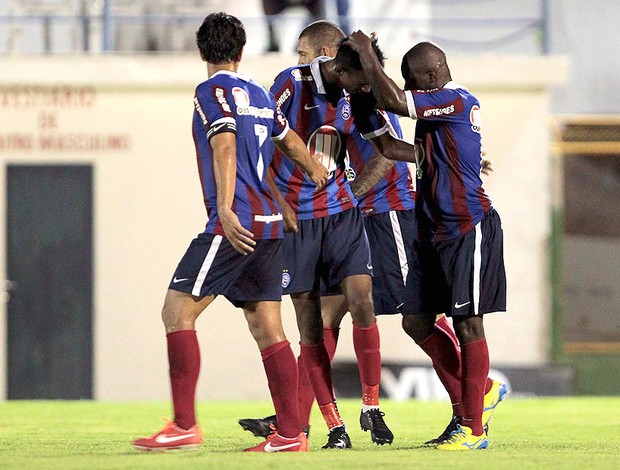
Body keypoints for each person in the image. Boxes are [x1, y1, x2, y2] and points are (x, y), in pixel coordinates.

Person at [239, 21, 504, 449]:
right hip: (341, 217)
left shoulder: (367, 90)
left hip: (386, 212)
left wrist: (351, 197)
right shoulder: (302, 90)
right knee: (329, 318)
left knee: (419, 316)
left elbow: (387, 157)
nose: (302, 65)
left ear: (330, 53)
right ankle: (297, 422)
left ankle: (473, 400)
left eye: (306, 56)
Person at [131, 12, 329, 453]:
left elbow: (223, 141)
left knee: (176, 311)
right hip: (270, 227)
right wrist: (315, 170)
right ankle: (291, 435)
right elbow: (290, 140)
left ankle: (184, 425)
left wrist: (224, 207)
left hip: (234, 224)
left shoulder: (210, 90)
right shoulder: (259, 93)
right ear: (241, 52)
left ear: (203, 51)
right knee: (267, 326)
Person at [344, 32, 508, 450]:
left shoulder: (456, 99)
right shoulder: (436, 114)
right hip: (432, 232)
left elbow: (399, 103)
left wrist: (366, 53)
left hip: (467, 227)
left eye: (414, 81)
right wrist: (364, 95)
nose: (411, 89)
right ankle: (480, 394)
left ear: (433, 74)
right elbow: (387, 145)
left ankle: (471, 428)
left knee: (468, 323)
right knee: (416, 321)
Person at [256, 21, 401, 449]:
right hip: (298, 222)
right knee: (312, 326)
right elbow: (261, 142)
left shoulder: (356, 94)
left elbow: (388, 148)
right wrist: (279, 204)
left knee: (363, 300)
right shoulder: (290, 84)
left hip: (341, 212)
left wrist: (439, 152)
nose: (364, 89)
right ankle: (333, 426)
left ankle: (371, 406)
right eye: (361, 80)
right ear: (336, 66)